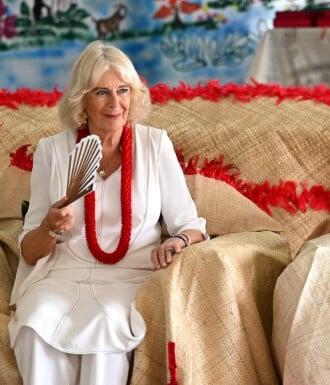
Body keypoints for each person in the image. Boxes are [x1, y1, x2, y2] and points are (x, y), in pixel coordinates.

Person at [8, 41, 207, 385]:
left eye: (123, 90)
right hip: (62, 277)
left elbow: (191, 226)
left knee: (106, 331)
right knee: (36, 322)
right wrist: (51, 227)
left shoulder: (154, 144)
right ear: (82, 99)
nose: (115, 103)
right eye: (102, 92)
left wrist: (175, 242)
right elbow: (29, 250)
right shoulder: (52, 151)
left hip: (129, 278)